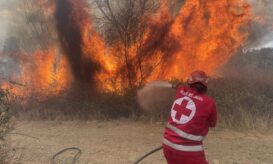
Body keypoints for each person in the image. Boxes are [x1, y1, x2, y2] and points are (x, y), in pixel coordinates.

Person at [163, 70, 217, 164]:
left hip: (168, 145)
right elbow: (212, 124)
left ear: (190, 82)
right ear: (205, 86)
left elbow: (179, 86)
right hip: (188, 150)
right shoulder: (209, 102)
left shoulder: (181, 90)